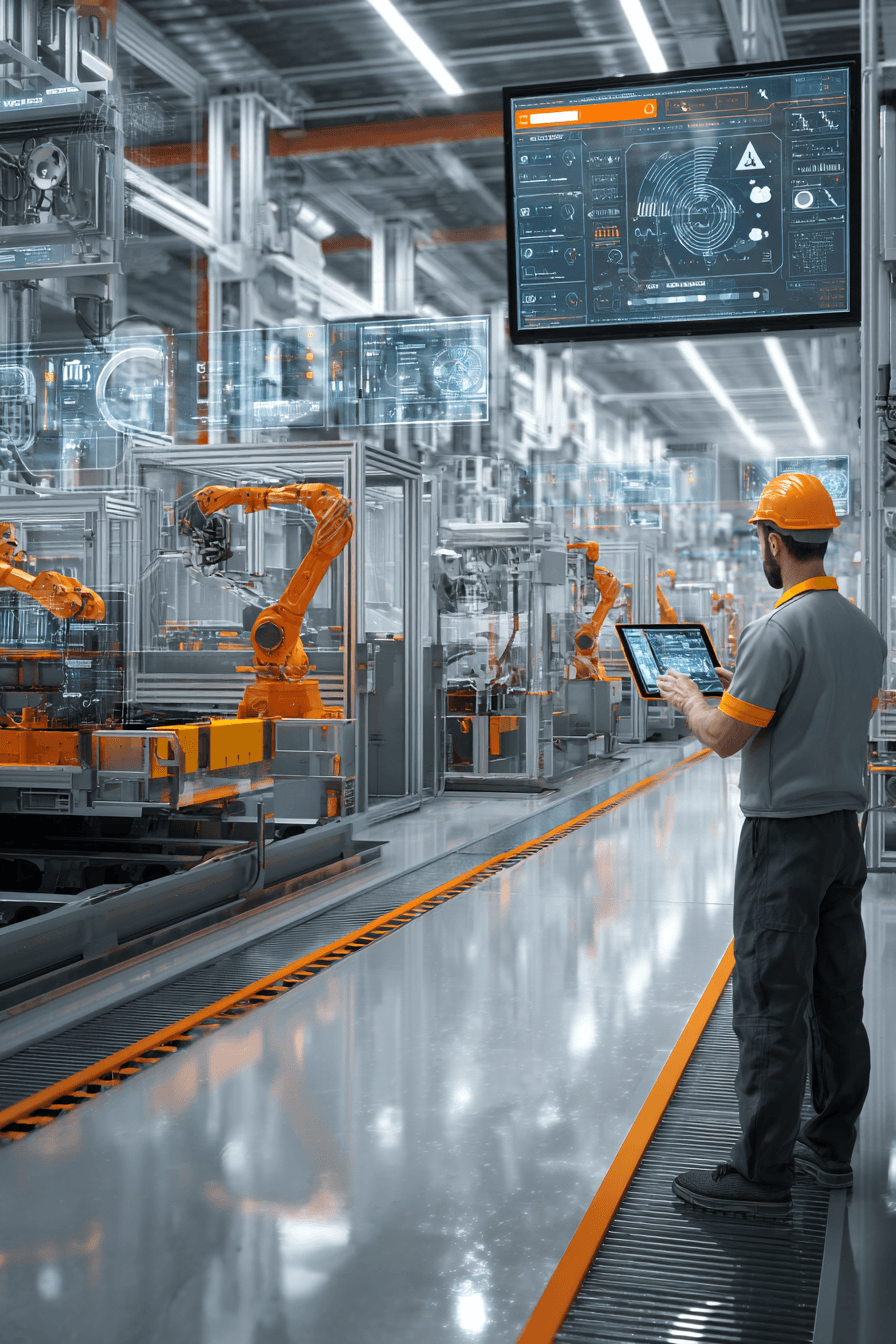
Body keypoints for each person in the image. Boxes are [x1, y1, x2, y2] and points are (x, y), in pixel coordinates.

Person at [656, 472, 886, 1220]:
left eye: (762, 537)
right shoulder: (862, 630)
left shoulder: (776, 630)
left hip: (782, 847)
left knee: (768, 1004)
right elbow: (808, 706)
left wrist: (695, 699)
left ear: (774, 542)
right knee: (835, 999)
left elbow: (726, 737)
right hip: (840, 842)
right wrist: (735, 681)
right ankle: (829, 1148)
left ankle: (761, 1174)